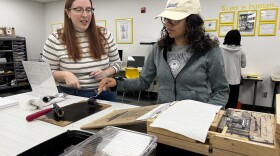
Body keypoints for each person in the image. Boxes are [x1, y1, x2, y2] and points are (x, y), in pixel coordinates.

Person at [99, 0, 229, 106]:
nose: (167, 24)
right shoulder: (159, 48)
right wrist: (117, 83)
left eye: (174, 20)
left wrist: (207, 114)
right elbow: (143, 82)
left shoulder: (209, 50)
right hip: (163, 115)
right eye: (166, 19)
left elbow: (221, 91)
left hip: (195, 119)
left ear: (191, 22)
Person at [42, 0, 121, 101]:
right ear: (68, 12)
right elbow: (45, 73)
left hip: (104, 93)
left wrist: (105, 73)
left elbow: (117, 63)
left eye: (88, 10)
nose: (85, 15)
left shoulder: (104, 34)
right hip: (71, 95)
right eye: (79, 10)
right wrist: (65, 75)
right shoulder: (55, 39)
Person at [220, 30, 246, 109]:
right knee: (232, 104)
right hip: (235, 81)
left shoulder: (220, 48)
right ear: (239, 39)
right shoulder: (241, 50)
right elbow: (244, 65)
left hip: (221, 80)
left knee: (220, 102)